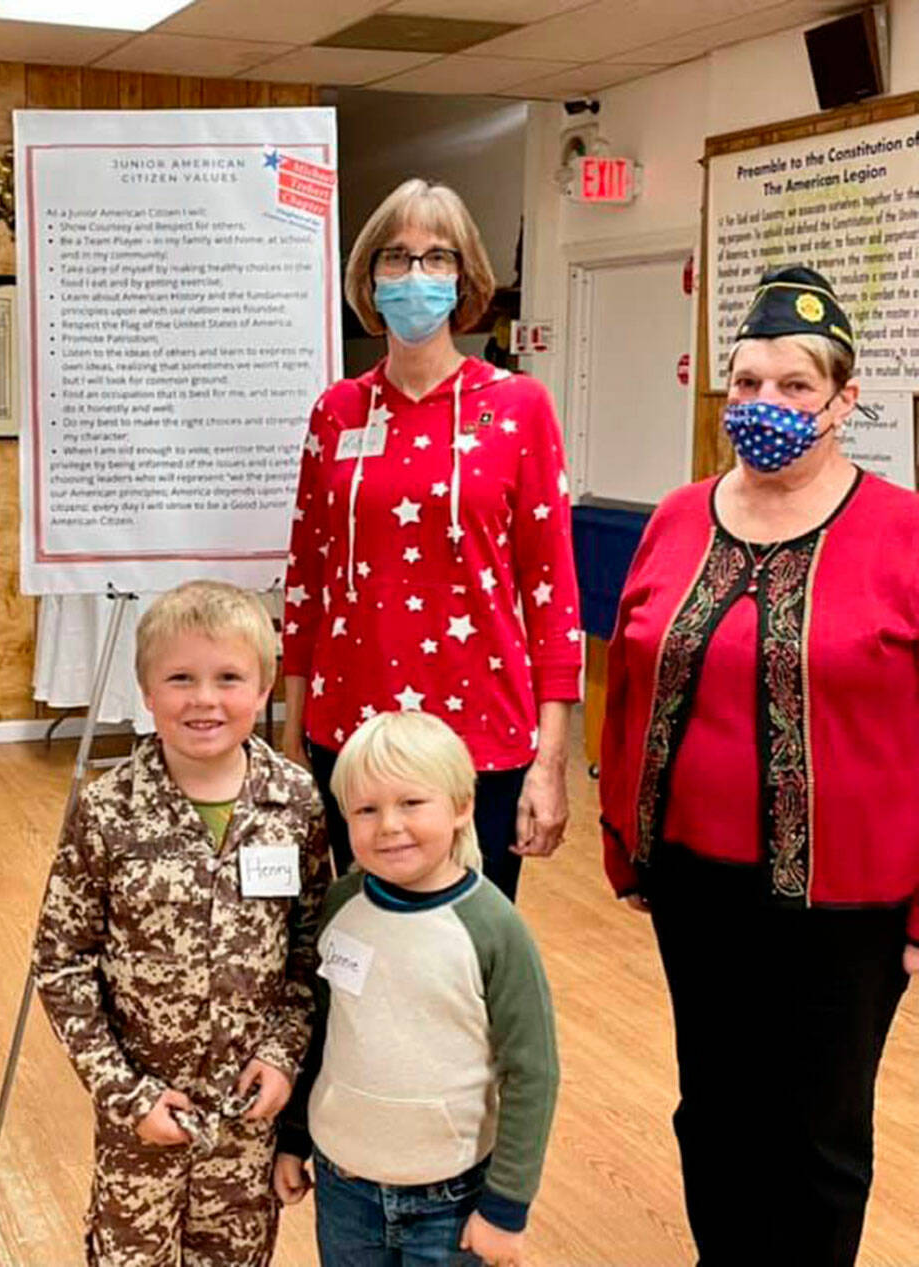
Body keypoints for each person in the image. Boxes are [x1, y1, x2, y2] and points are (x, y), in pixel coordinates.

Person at [600, 264, 919, 1267]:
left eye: (792, 386)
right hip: (696, 882)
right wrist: (627, 844)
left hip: (848, 901)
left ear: (842, 398)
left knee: (816, 1134)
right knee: (714, 1109)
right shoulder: (676, 514)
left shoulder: (903, 531)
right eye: (744, 384)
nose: (765, 405)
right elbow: (629, 679)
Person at [282, 178, 581, 898]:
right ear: (369, 277)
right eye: (397, 257)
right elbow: (306, 581)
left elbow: (553, 596)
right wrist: (290, 741)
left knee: (465, 954)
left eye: (437, 258)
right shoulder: (337, 411)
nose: (415, 276)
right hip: (348, 729)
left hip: (482, 734)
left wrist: (550, 763)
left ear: (465, 277)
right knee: (351, 944)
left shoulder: (518, 407)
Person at [33, 580, 330, 1267]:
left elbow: (310, 952)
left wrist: (284, 1055)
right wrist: (122, 1091)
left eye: (229, 677)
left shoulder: (295, 802)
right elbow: (61, 960)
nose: (204, 698)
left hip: (247, 1119)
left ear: (263, 689)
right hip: (140, 1121)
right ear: (146, 690)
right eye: (180, 677)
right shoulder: (109, 809)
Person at [274, 710, 558, 1267]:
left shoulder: (494, 928)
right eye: (366, 809)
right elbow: (324, 1031)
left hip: (449, 1202)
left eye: (411, 803)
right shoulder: (340, 906)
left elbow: (533, 1071)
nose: (389, 826)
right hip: (344, 1188)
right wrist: (294, 1137)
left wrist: (506, 1208)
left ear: (460, 806)